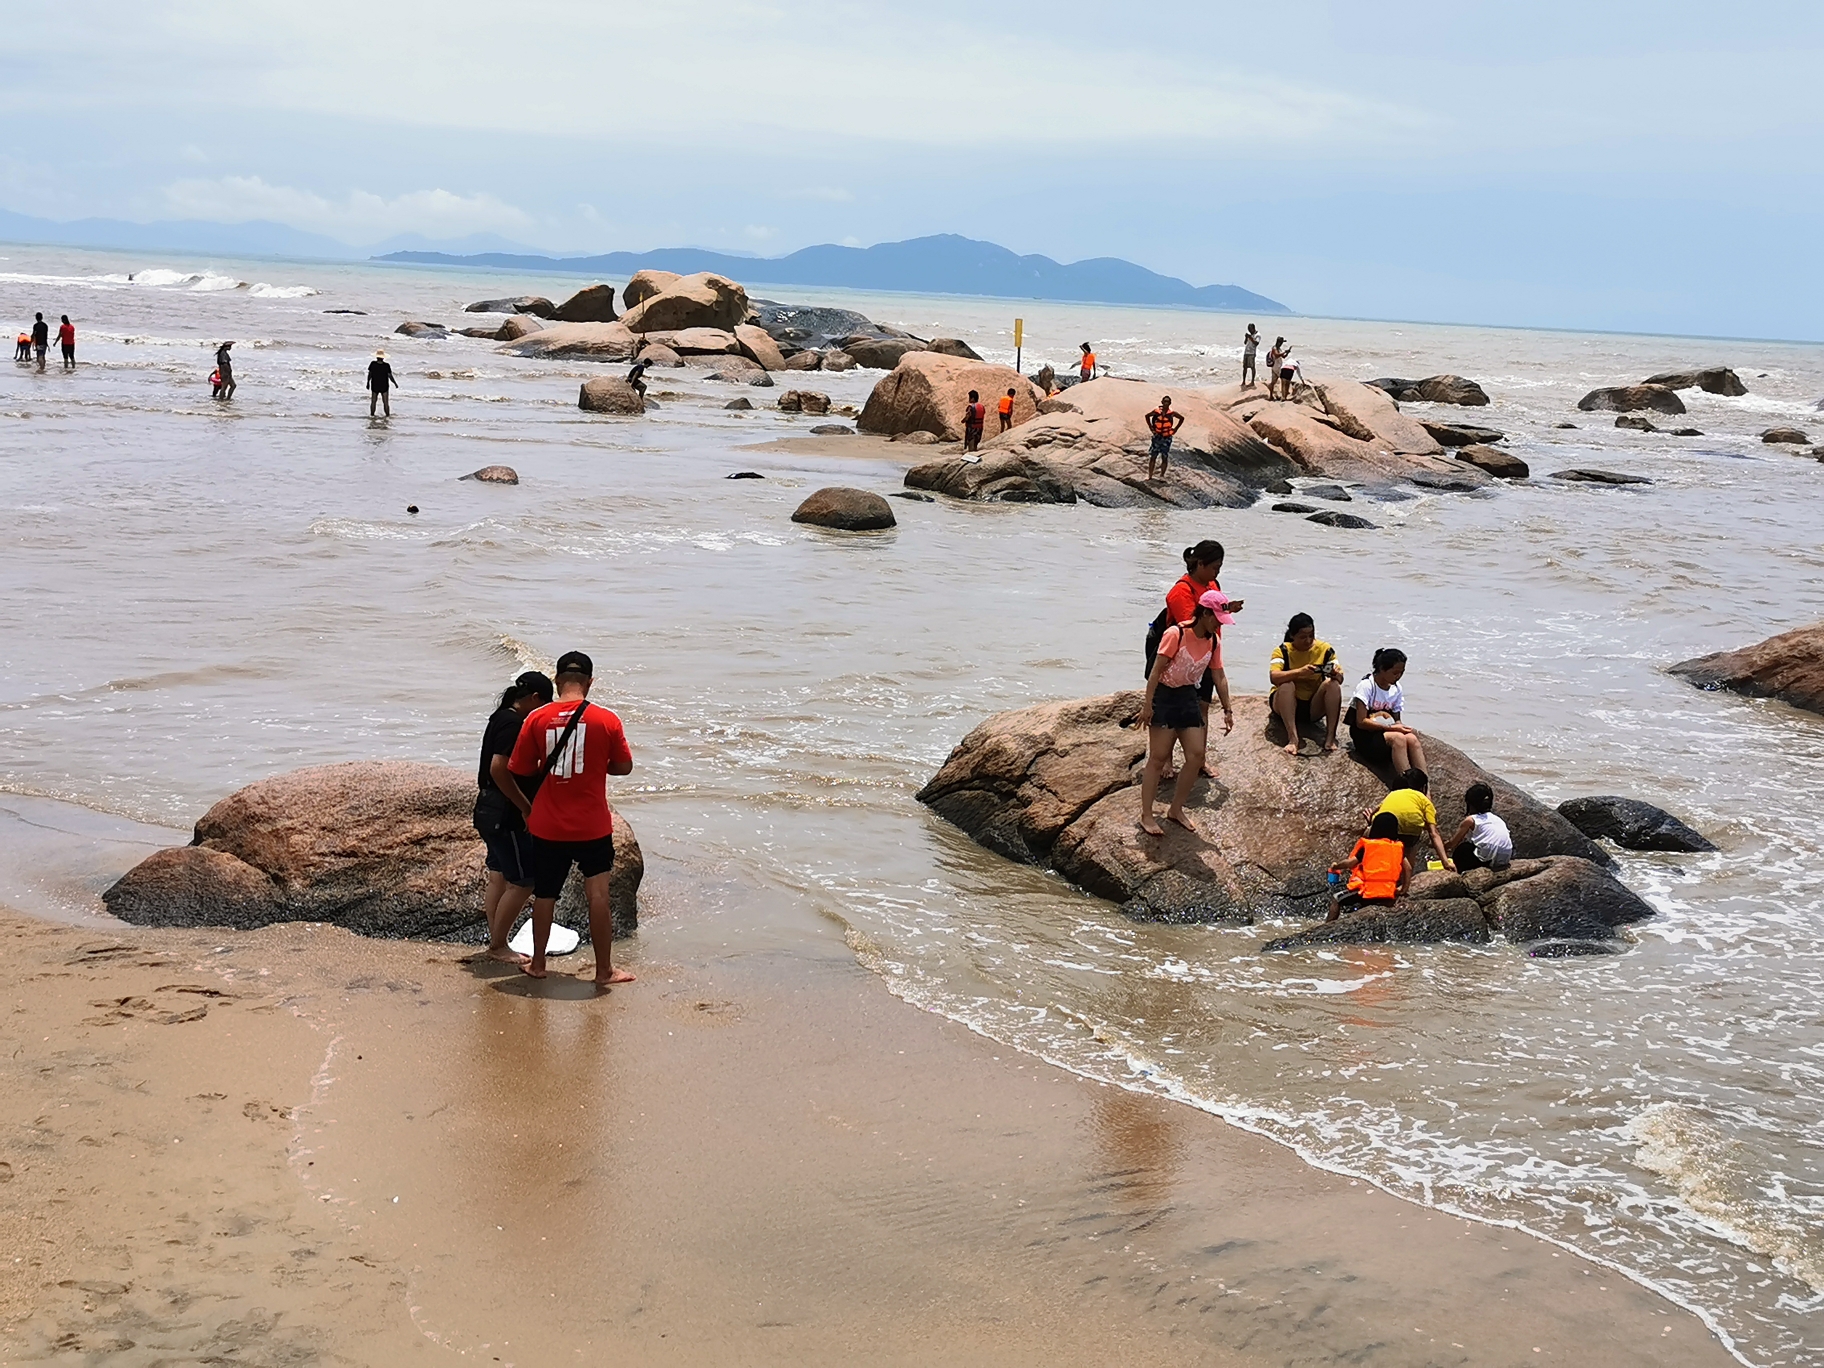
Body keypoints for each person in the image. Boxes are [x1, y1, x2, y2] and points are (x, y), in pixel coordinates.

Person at [506, 650, 636, 987]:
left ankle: (537, 964)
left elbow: (518, 768)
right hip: (592, 824)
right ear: (590, 682)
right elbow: (624, 766)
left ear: (557, 680)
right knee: (598, 896)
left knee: (545, 895)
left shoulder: (536, 718)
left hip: (547, 825)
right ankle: (604, 971)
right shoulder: (607, 720)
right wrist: (594, 765)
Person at [472, 671, 555, 963]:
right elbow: (499, 768)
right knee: (523, 881)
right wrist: (524, 806)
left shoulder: (499, 717)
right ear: (534, 699)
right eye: (544, 705)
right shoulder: (514, 723)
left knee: (499, 876)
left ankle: (496, 942)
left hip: (487, 809)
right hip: (505, 813)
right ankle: (498, 946)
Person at [1146, 540, 1244, 780]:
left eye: (1219, 568)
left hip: (1206, 650)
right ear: (1200, 564)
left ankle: (1198, 759)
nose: (1217, 573)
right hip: (1177, 651)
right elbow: (1191, 625)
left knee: (1202, 706)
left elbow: (1212, 619)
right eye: (1214, 567)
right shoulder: (1181, 591)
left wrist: (1227, 609)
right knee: (1169, 705)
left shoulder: (1213, 584)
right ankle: (1166, 761)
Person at [1138, 591, 1233, 837]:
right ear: (1204, 613)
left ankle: (1176, 809)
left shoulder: (1213, 641)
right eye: (1216, 618)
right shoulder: (1175, 634)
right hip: (1165, 695)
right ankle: (1147, 815)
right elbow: (1156, 671)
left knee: (1196, 755)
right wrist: (1148, 706)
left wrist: (1227, 709)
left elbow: (1219, 676)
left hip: (1188, 695)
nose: (1219, 624)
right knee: (1158, 758)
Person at [1345, 647, 1429, 774]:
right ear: (1382, 669)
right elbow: (1361, 722)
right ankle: (1407, 781)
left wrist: (1401, 727)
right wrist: (1391, 728)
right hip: (1366, 737)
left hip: (1384, 734)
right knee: (1398, 738)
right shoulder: (1367, 686)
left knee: (1412, 738)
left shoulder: (1396, 688)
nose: (1398, 676)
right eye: (1395, 673)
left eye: (1402, 672)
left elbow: (1397, 719)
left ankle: (1424, 785)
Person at [1269, 613, 1343, 755]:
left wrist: (1335, 674)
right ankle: (1293, 739)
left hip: (1312, 706)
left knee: (1332, 684)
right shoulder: (1283, 650)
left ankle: (1330, 738)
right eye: (1303, 637)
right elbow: (1274, 677)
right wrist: (1299, 672)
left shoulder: (1325, 649)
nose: (1308, 640)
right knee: (1286, 684)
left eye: (1311, 635)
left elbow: (1340, 678)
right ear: (1292, 636)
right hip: (1285, 704)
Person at [1328, 811, 1411, 921]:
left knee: (1337, 898)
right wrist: (1403, 889)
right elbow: (1408, 868)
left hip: (1368, 892)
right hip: (1388, 892)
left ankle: (1327, 925)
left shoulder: (1369, 846)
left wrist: (1336, 866)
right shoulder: (1397, 848)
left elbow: (1351, 863)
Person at [1374, 768, 1456, 872]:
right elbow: (1433, 833)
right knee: (1410, 846)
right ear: (1423, 788)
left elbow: (1377, 811)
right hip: (1409, 831)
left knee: (1373, 833)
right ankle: (1407, 875)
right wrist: (1445, 861)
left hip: (1384, 828)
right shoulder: (1423, 800)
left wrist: (1370, 823)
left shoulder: (1393, 794)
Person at [1445, 782, 1513, 873]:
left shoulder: (1471, 820)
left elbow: (1453, 843)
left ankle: (1460, 872)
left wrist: (1440, 847)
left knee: (1463, 849)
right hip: (1504, 859)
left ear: (1470, 803)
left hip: (1487, 860)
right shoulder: (1498, 819)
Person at [1145, 396, 1184, 480]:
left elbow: (1181, 418)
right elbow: (1147, 416)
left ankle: (1162, 476)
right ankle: (1150, 475)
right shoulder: (1156, 412)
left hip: (1167, 437)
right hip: (1157, 437)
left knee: (1164, 456)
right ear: (1162, 402)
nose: (1166, 403)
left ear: (1170, 403)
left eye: (1168, 402)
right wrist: (1151, 428)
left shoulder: (1172, 413)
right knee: (1153, 456)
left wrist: (1175, 429)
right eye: (1165, 401)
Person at [367, 349, 397, 416]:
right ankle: (387, 416)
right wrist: (395, 383)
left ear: (376, 357)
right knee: (386, 402)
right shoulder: (386, 365)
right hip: (384, 385)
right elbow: (390, 376)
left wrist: (367, 383)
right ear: (383, 357)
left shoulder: (373, 364)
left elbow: (370, 374)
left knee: (373, 402)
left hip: (375, 384)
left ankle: (372, 415)